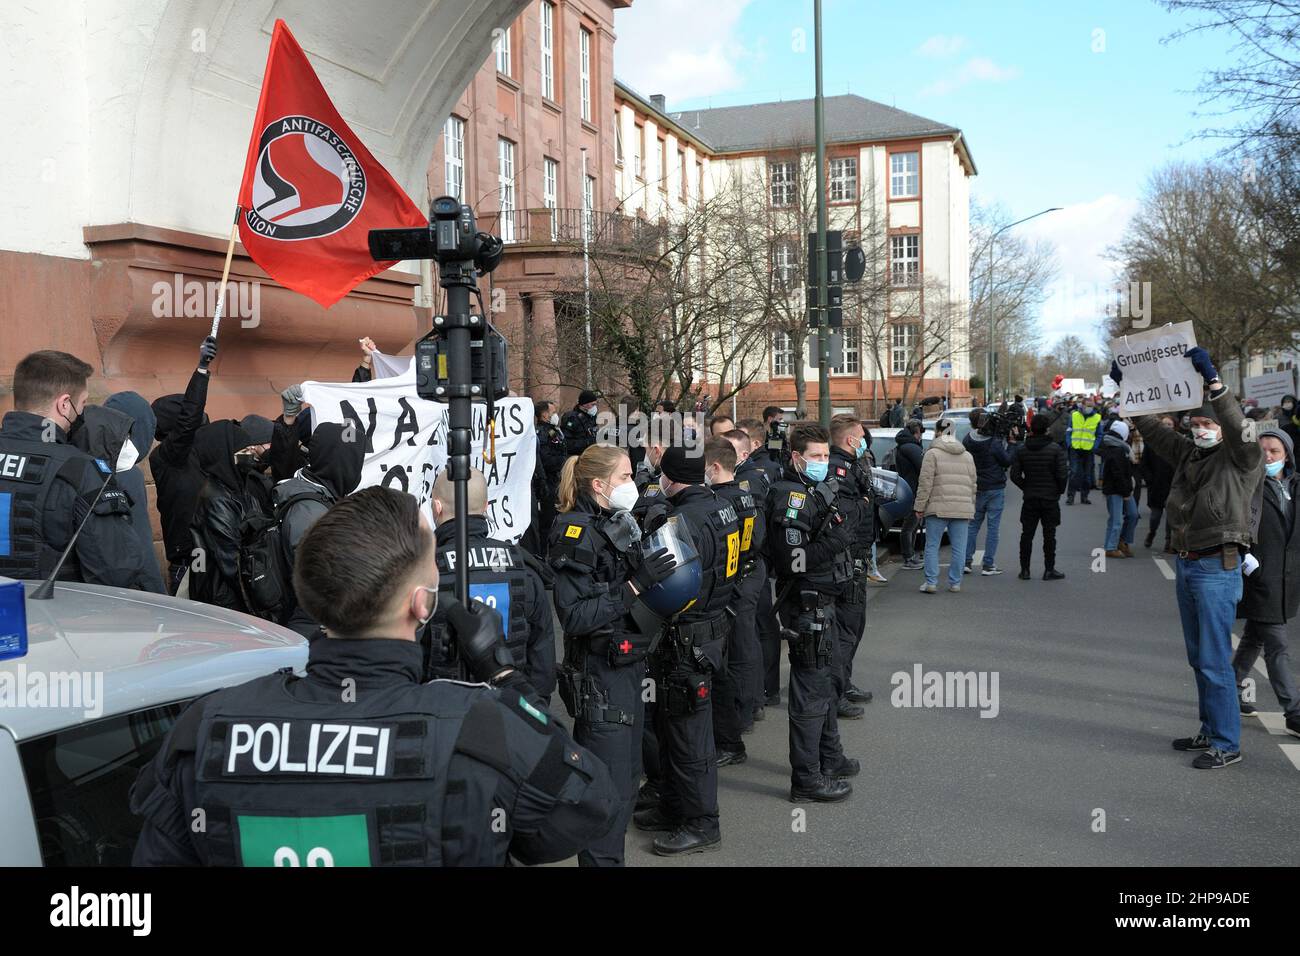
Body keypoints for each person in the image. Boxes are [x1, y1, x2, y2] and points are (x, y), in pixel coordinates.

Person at [130, 486, 618, 866]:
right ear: (423, 605)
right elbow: (588, 805)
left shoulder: (204, 729)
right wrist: (503, 672)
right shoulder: (484, 729)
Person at [1120, 348, 1263, 769]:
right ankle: (1210, 728)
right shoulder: (1188, 454)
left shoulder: (1241, 458)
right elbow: (1152, 428)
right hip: (1188, 562)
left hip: (1217, 565)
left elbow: (1240, 430)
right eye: (1196, 423)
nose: (1201, 430)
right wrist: (1127, 388)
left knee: (1216, 659)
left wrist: (1216, 386)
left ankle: (1227, 742)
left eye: (1208, 424)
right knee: (1199, 656)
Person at [549, 444, 675, 866]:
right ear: (599, 484)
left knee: (626, 783)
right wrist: (634, 586)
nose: (632, 484)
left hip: (625, 669)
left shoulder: (612, 522)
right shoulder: (575, 531)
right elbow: (575, 615)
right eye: (624, 477)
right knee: (606, 792)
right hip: (600, 677)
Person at [633, 446, 739, 855]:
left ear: (671, 478)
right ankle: (675, 806)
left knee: (688, 736)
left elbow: (668, 586)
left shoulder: (681, 520)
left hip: (688, 637)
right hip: (711, 629)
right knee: (675, 728)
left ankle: (701, 823)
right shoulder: (720, 505)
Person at [0, 350, 148, 588]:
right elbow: (116, 571)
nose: (83, 413)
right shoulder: (81, 470)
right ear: (64, 404)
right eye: (83, 404)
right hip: (53, 617)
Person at [766, 421, 858, 803]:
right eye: (815, 457)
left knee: (826, 687)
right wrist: (836, 541)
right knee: (810, 696)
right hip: (806, 606)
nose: (822, 462)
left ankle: (829, 758)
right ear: (796, 458)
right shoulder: (791, 497)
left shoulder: (812, 489)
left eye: (825, 455)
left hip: (825, 602)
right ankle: (806, 780)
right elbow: (793, 561)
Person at [1233, 428, 1300, 738]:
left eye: (1274, 451)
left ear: (1286, 454)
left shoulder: (1294, 485)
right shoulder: (1249, 484)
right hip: (1260, 576)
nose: (1268, 457)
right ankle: (1294, 711)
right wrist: (1246, 560)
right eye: (1262, 451)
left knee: (1253, 638)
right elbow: (1234, 523)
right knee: (1277, 645)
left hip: (1287, 577)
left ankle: (1230, 692)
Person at [271, 422, 365, 637]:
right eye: (355, 461)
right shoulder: (311, 513)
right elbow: (321, 584)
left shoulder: (319, 497)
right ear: (342, 463)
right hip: (308, 627)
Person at [704, 436, 764, 764]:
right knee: (736, 656)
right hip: (740, 578)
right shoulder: (744, 497)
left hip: (728, 587)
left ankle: (733, 731)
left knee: (725, 664)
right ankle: (740, 721)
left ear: (714, 467)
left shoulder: (719, 501)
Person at [76, 395, 167, 593]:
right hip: (116, 592)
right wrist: (161, 599)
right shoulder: (128, 473)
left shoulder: (79, 457)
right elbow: (142, 550)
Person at [150, 335, 218, 593]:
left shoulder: (201, 451)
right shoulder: (167, 457)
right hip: (188, 563)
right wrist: (202, 369)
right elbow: (188, 420)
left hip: (213, 555)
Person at [188, 420, 273, 611]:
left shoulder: (240, 488)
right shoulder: (216, 499)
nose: (251, 455)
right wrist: (265, 601)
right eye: (245, 450)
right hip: (227, 601)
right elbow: (233, 562)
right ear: (225, 455)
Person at [828, 414, 876, 718]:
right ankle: (835, 694)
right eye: (861, 436)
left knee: (854, 628)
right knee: (845, 630)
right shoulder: (839, 469)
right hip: (847, 558)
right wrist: (865, 502)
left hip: (857, 555)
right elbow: (846, 516)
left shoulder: (851, 466)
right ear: (850, 440)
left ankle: (843, 683)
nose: (864, 442)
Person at [913, 418, 976, 594]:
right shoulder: (967, 455)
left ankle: (931, 582)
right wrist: (971, 506)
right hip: (962, 507)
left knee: (932, 545)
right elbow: (973, 484)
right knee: (959, 547)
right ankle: (955, 582)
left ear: (937, 431)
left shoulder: (932, 454)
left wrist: (919, 506)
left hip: (937, 507)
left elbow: (925, 482)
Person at [1009, 415, 1067, 580]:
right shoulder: (1055, 449)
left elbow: (1014, 474)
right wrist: (1058, 490)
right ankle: (1049, 569)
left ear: (1032, 429)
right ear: (1047, 429)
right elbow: (1062, 475)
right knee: (1050, 535)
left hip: (1030, 498)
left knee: (1027, 534)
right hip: (1050, 498)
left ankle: (1025, 570)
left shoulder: (1022, 449)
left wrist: (1026, 486)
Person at [962, 409, 1017, 575]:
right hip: (995, 487)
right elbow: (1007, 460)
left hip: (976, 486)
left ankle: (966, 561)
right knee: (993, 528)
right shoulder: (993, 442)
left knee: (972, 526)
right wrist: (1013, 444)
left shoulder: (967, 440)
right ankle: (988, 564)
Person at [523, 399, 568, 556]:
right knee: (547, 523)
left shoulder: (555, 430)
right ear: (544, 415)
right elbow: (545, 459)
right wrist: (563, 462)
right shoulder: (541, 433)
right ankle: (543, 554)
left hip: (556, 481)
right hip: (548, 482)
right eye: (553, 412)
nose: (556, 415)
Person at [1100, 419, 1138, 559]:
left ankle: (1122, 541)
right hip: (1116, 489)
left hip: (1124, 488)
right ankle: (1110, 547)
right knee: (1116, 520)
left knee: (1132, 515)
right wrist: (1126, 491)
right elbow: (1118, 473)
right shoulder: (1117, 449)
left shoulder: (1120, 447)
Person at [893, 419, 926, 570]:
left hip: (908, 489)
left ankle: (910, 556)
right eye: (920, 433)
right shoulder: (911, 447)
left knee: (911, 525)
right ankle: (908, 557)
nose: (921, 436)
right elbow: (923, 468)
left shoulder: (903, 445)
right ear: (916, 432)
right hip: (913, 491)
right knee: (910, 526)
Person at [1141, 414, 1177, 551]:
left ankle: (1169, 541)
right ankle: (1152, 532)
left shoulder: (1178, 444)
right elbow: (1144, 465)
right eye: (1164, 424)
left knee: (1171, 516)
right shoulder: (1152, 443)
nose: (1167, 427)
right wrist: (1150, 480)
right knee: (1155, 515)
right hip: (1156, 485)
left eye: (1170, 425)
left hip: (1173, 485)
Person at [1066, 399, 1102, 505]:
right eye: (1088, 406)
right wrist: (1069, 444)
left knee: (1087, 475)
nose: (1089, 408)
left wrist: (1095, 446)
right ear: (1082, 405)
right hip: (1075, 449)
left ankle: (1084, 496)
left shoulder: (1097, 418)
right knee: (1074, 473)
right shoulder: (1074, 415)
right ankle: (1071, 496)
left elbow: (1099, 434)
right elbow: (1069, 431)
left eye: (1091, 406)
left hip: (1088, 450)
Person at [561, 389, 602, 456]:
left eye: (595, 404)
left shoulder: (592, 417)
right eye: (593, 404)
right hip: (576, 458)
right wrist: (588, 442)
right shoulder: (571, 418)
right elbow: (566, 443)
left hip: (591, 455)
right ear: (584, 404)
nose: (595, 407)